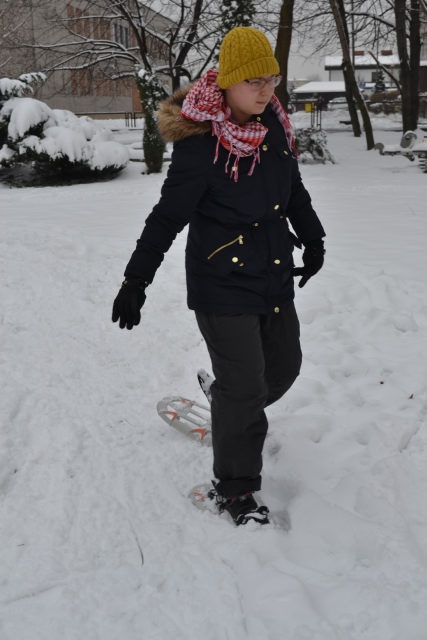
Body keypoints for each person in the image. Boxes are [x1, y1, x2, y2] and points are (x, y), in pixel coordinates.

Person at [112, 26, 325, 526]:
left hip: (272, 274)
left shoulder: (272, 126)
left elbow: (292, 189)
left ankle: (227, 402)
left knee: (284, 369)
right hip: (221, 283)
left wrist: (314, 239)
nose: (267, 90)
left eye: (272, 79)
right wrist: (135, 281)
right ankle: (234, 489)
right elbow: (166, 217)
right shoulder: (201, 145)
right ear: (228, 82)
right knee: (246, 387)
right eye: (254, 81)